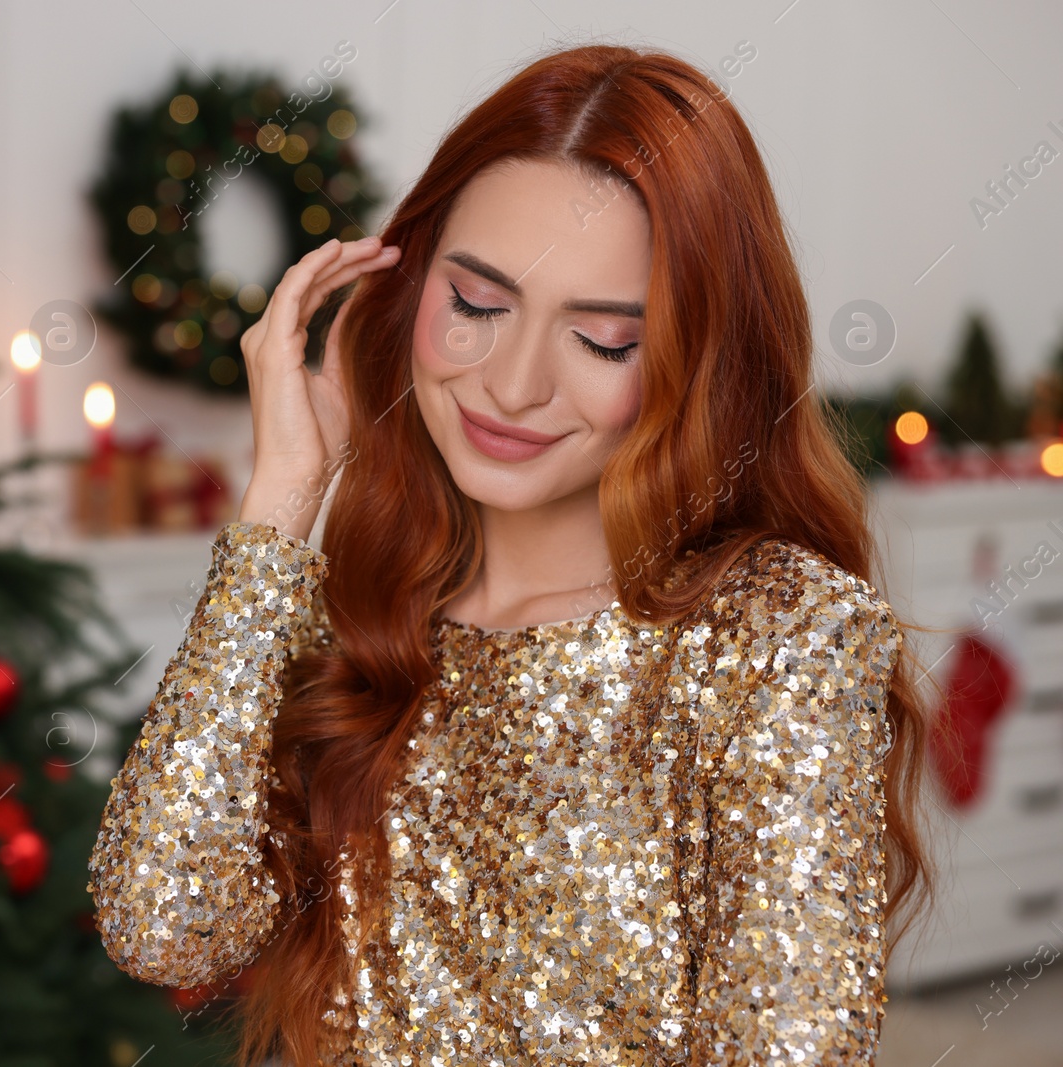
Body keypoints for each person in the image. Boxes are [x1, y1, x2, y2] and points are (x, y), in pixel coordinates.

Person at [87, 42, 932, 1067]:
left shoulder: (780, 634)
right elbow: (162, 923)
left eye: (604, 340)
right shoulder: (347, 610)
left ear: (694, 354)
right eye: (477, 305)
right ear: (402, 291)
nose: (515, 382)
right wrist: (279, 506)